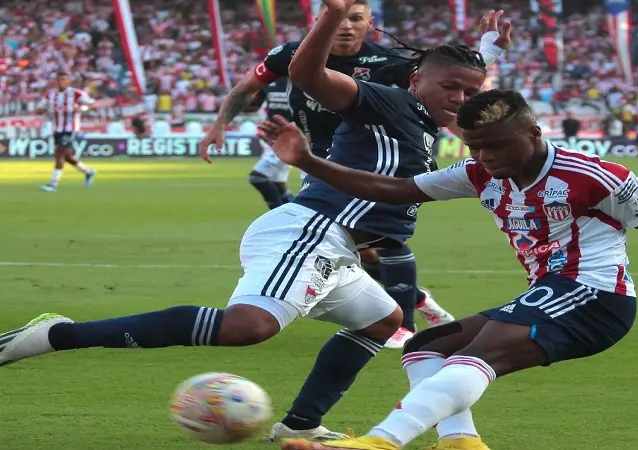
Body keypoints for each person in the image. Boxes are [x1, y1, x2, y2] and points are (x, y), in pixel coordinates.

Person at [0, 0, 508, 445]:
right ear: (416, 81)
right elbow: (310, 78)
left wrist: (488, 45)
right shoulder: (389, 101)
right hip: (311, 230)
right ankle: (55, 336)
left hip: (340, 250)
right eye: (451, 89)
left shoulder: (425, 121)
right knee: (249, 327)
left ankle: (301, 425)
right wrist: (331, 17)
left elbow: (469, 81)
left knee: (383, 321)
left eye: (470, 92)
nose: (461, 100)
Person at [254, 89, 638, 450]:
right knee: (427, 345)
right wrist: (308, 161)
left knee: (481, 351)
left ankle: (383, 443)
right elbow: (396, 190)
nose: (486, 157)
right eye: (475, 146)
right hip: (553, 292)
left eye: (497, 145)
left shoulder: (594, 174)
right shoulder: (477, 173)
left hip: (595, 297)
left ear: (533, 133)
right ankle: (459, 442)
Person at [197, 0, 482, 350]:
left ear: (369, 23)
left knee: (378, 237)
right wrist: (219, 125)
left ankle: (405, 319)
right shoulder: (290, 54)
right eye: (338, 16)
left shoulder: (386, 62)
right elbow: (246, 89)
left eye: (356, 18)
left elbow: (445, 88)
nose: (346, 26)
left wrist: (475, 135)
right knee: (357, 245)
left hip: (362, 160)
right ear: (319, 19)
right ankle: (411, 308)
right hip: (311, 156)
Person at [37, 72, 98, 192]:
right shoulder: (50, 94)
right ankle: (88, 172)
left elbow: (94, 105)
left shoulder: (76, 94)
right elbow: (39, 108)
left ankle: (53, 184)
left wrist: (81, 108)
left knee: (59, 153)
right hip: (56, 128)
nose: (60, 82)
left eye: (63, 80)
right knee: (68, 157)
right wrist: (41, 109)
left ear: (68, 82)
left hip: (70, 129)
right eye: (58, 80)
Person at [248, 77, 297, 209]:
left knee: (257, 177)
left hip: (291, 140)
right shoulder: (269, 84)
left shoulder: (302, 82)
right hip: (271, 140)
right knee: (277, 184)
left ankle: (277, 214)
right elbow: (253, 105)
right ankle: (291, 210)